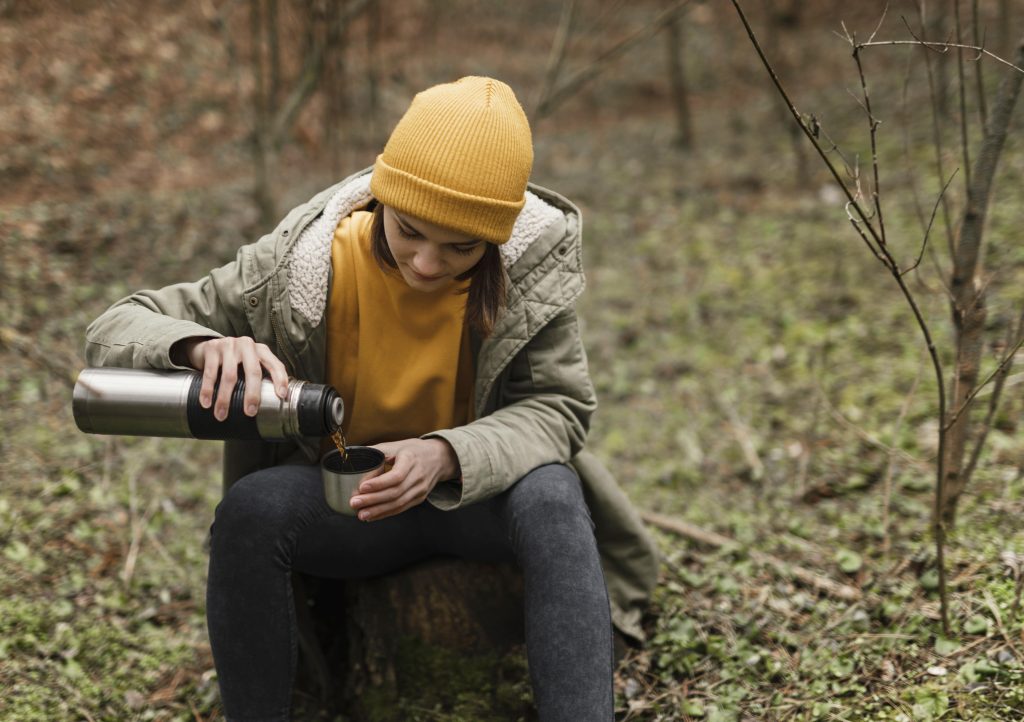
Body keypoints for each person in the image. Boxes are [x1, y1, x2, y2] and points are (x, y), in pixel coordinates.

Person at [85, 76, 659, 721]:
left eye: (460, 248)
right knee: (250, 512)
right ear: (381, 197)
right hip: (350, 505)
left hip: (480, 500)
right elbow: (114, 326)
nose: (424, 264)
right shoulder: (298, 266)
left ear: (497, 240)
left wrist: (446, 454)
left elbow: (559, 408)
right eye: (408, 230)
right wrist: (197, 346)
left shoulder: (530, 274)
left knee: (554, 494)